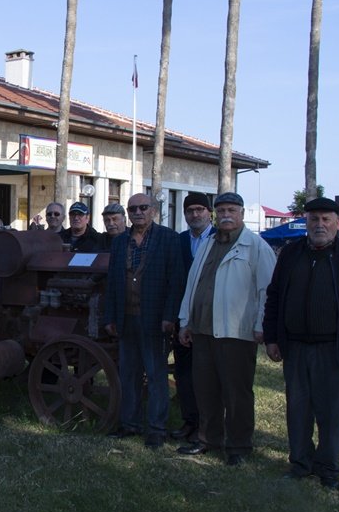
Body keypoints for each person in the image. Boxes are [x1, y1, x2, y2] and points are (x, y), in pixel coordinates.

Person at [263, 197, 339, 490]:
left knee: (332, 414)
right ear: (306, 222)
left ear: (337, 224)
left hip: (335, 349)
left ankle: (329, 469)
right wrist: (272, 337)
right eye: (314, 219)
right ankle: (300, 463)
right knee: (298, 410)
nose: (320, 225)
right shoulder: (290, 254)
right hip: (295, 347)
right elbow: (274, 296)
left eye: (326, 219)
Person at [177, 192, 276, 465]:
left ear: (242, 213)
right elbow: (192, 284)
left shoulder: (255, 247)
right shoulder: (208, 243)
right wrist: (185, 321)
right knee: (205, 390)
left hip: (235, 332)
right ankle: (208, 439)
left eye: (231, 210)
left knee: (236, 393)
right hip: (202, 330)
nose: (226, 215)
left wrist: (261, 325)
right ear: (215, 215)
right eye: (221, 211)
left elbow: (267, 291)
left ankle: (238, 446)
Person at [104, 193, 184, 449]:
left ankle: (157, 429)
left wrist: (170, 316)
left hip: (155, 319)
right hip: (126, 317)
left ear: (153, 211)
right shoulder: (120, 242)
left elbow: (176, 281)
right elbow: (112, 282)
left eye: (143, 208)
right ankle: (130, 424)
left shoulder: (169, 239)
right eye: (132, 209)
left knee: (156, 375)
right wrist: (110, 316)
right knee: (129, 373)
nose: (137, 212)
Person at [170, 192, 215, 443]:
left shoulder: (220, 239)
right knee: (184, 373)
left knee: (207, 375)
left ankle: (207, 427)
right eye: (190, 210)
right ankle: (189, 421)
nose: (195, 214)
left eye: (199, 209)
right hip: (183, 317)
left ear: (209, 213)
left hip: (210, 318)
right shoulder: (178, 241)